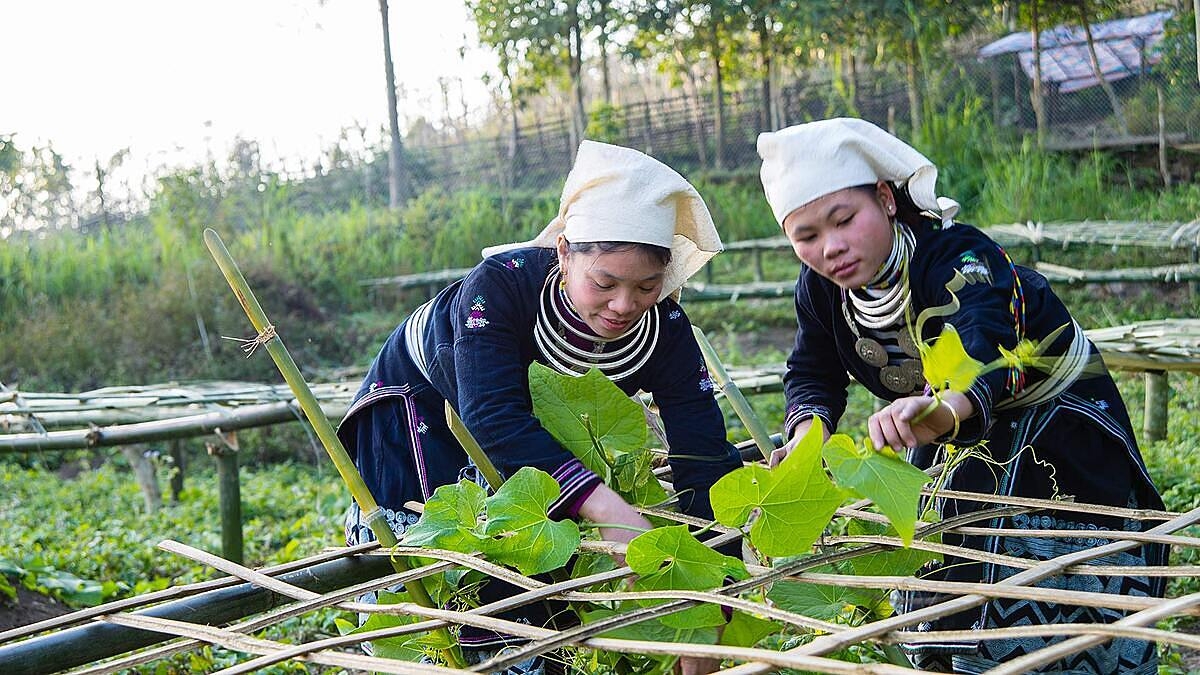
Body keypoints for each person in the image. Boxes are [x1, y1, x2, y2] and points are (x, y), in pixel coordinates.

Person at [757, 118, 1165, 673]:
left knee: (1060, 568)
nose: (832, 248)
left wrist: (948, 408)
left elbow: (985, 335)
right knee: (945, 574)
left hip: (1053, 414)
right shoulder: (821, 291)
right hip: (939, 418)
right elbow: (813, 369)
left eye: (845, 220)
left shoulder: (957, 256)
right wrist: (807, 440)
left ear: (886, 199)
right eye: (806, 237)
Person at [337, 140, 743, 674]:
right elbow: (491, 415)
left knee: (545, 571)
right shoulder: (498, 287)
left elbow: (704, 451)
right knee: (452, 581)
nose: (624, 305)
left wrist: (712, 598)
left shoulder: (665, 326)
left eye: (646, 286)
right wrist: (609, 510)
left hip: (532, 441)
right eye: (605, 283)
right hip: (421, 420)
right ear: (563, 254)